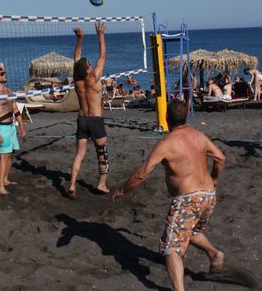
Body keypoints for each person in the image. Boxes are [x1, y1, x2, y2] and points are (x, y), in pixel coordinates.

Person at [112, 100, 226, 291]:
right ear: (186, 116)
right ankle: (215, 254)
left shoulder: (166, 143)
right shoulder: (198, 135)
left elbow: (142, 173)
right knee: (191, 231)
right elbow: (220, 157)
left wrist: (123, 189)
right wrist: (214, 178)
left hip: (187, 199)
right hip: (208, 196)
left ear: (166, 118)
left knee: (171, 249)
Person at [68, 23, 109, 198]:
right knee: (102, 153)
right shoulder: (94, 77)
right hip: (95, 120)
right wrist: (100, 34)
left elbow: (76, 57)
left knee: (79, 154)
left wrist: (80, 39)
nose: (92, 66)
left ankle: (71, 185)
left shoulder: (77, 79)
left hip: (82, 119)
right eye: (90, 65)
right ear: (87, 69)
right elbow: (103, 55)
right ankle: (102, 184)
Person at [0, 67, 26, 195]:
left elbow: (15, 109)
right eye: (1, 74)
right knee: (3, 157)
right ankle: (0, 188)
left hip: (11, 127)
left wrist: (22, 126)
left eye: (4, 73)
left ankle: (5, 179)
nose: (4, 75)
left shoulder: (9, 91)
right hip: (1, 127)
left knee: (11, 155)